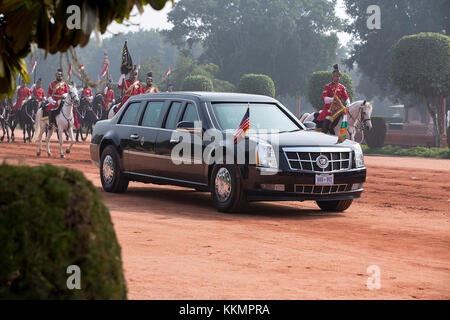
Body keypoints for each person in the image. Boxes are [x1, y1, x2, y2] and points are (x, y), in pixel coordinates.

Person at [316, 64, 350, 134]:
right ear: (333, 77)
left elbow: (346, 96)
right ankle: (324, 133)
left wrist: (348, 103)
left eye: (339, 76)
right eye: (336, 76)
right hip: (329, 109)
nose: (338, 78)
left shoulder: (342, 87)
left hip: (338, 109)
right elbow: (324, 98)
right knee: (328, 118)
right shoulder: (328, 86)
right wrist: (332, 99)